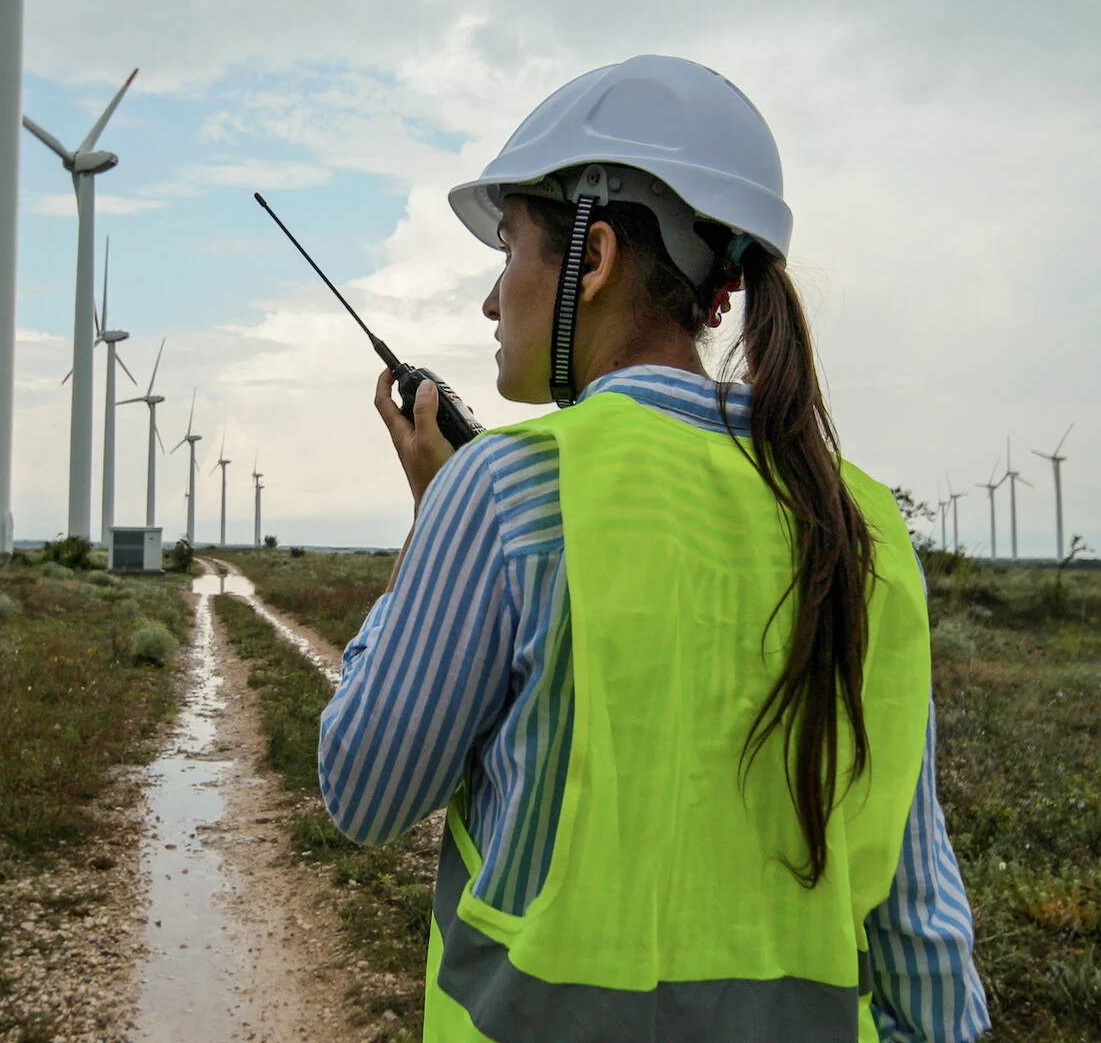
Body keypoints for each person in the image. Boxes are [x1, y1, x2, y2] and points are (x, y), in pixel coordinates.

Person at [319, 55, 989, 1043]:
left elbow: (367, 789)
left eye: (510, 248)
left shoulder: (504, 488)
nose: (491, 301)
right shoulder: (865, 527)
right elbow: (917, 923)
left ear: (591, 262)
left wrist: (434, 520)